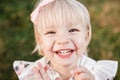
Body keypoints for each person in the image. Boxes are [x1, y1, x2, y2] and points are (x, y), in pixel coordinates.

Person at [13, 0, 118, 80]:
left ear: (86, 36)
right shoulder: (35, 74)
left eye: (72, 30)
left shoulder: (95, 73)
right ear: (40, 40)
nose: (62, 40)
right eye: (51, 32)